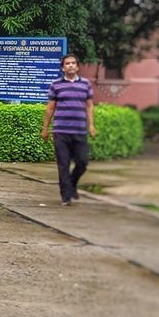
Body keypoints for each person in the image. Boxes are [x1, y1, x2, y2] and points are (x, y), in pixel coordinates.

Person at [40, 54, 96, 205]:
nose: (70, 65)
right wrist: (45, 128)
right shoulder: (56, 85)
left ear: (77, 66)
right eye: (67, 63)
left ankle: (71, 184)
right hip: (61, 132)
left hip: (79, 131)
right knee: (63, 164)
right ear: (63, 67)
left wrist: (91, 125)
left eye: (73, 63)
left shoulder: (85, 84)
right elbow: (50, 108)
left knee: (82, 162)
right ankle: (66, 196)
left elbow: (89, 106)